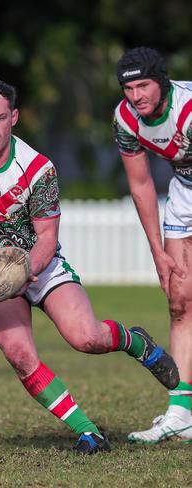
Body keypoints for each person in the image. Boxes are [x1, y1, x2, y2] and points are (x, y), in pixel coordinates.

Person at [0, 78, 178, 454]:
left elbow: (47, 237)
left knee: (87, 338)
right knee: (19, 354)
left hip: (41, 265)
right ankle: (88, 431)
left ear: (14, 117)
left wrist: (25, 270)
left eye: (0, 118)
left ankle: (136, 342)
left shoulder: (38, 167)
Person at [113, 47, 192, 443]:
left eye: (144, 85)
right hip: (184, 194)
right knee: (180, 300)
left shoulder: (189, 110)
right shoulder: (126, 119)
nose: (137, 95)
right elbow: (141, 184)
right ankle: (182, 413)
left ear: (161, 80)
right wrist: (158, 251)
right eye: (129, 87)